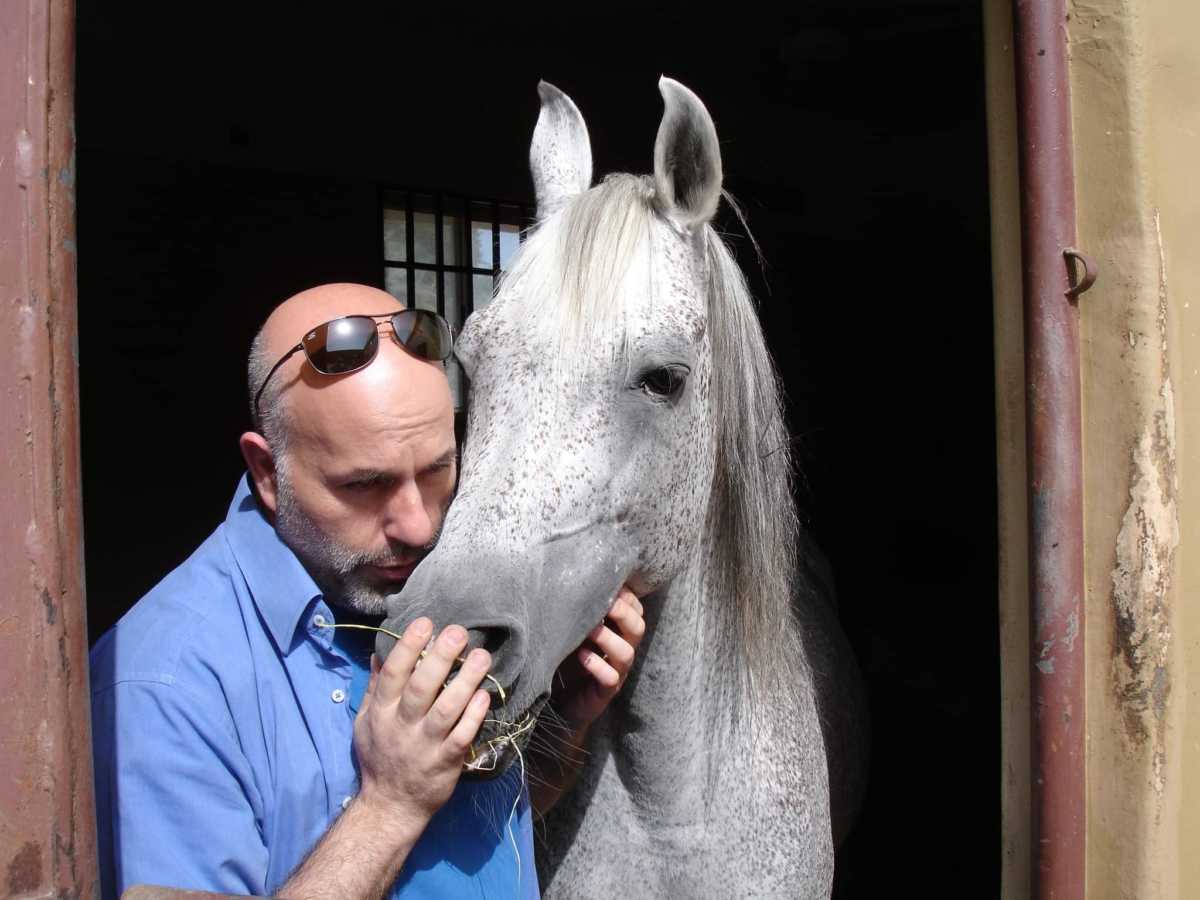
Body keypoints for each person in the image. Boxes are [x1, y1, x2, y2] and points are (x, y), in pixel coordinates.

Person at [89, 282, 646, 899]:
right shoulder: (163, 687)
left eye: (438, 469)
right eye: (366, 485)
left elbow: (476, 838)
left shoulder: (427, 586)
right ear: (268, 474)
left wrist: (564, 720)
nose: (419, 525)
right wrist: (390, 805)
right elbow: (410, 809)